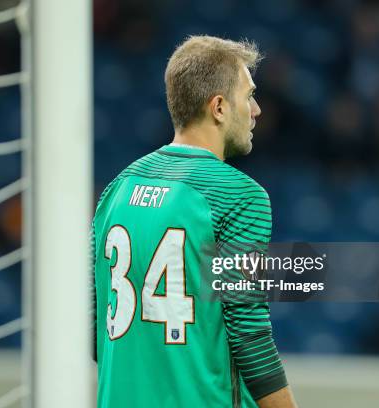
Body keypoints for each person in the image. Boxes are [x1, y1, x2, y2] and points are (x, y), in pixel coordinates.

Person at [92, 35, 298, 408]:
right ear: (219, 107)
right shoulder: (240, 195)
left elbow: (95, 328)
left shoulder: (116, 190)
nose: (256, 110)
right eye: (248, 95)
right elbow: (248, 332)